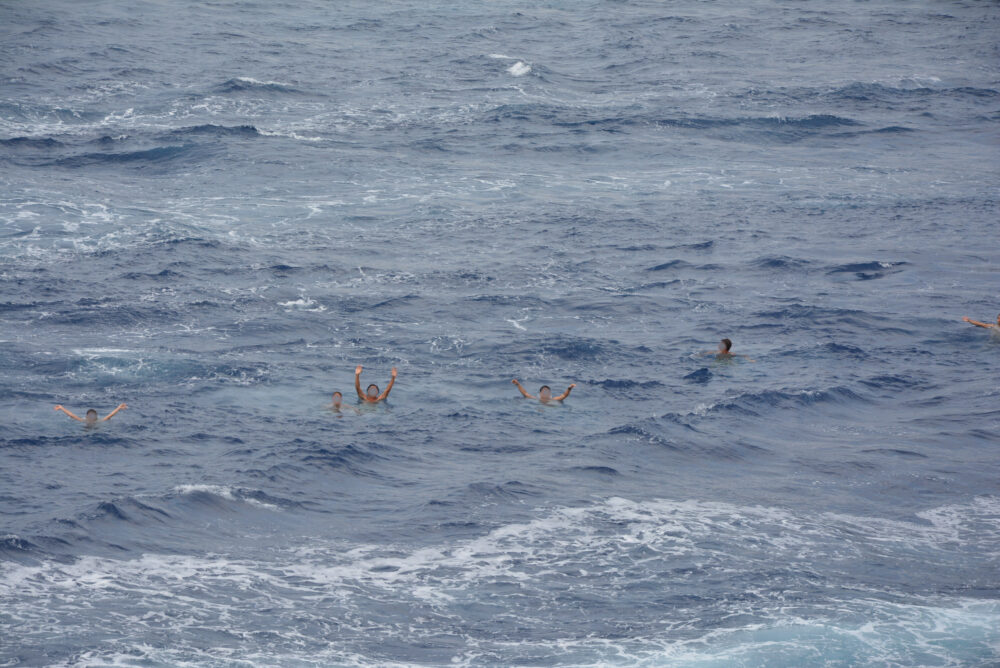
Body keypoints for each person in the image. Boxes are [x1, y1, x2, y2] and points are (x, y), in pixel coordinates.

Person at [54, 403, 127, 426]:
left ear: (96, 417)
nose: (91, 418)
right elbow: (72, 415)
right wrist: (61, 408)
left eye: (93, 416)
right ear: (86, 417)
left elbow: (110, 415)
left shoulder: (98, 421)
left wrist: (119, 407)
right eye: (90, 416)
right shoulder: (84, 421)